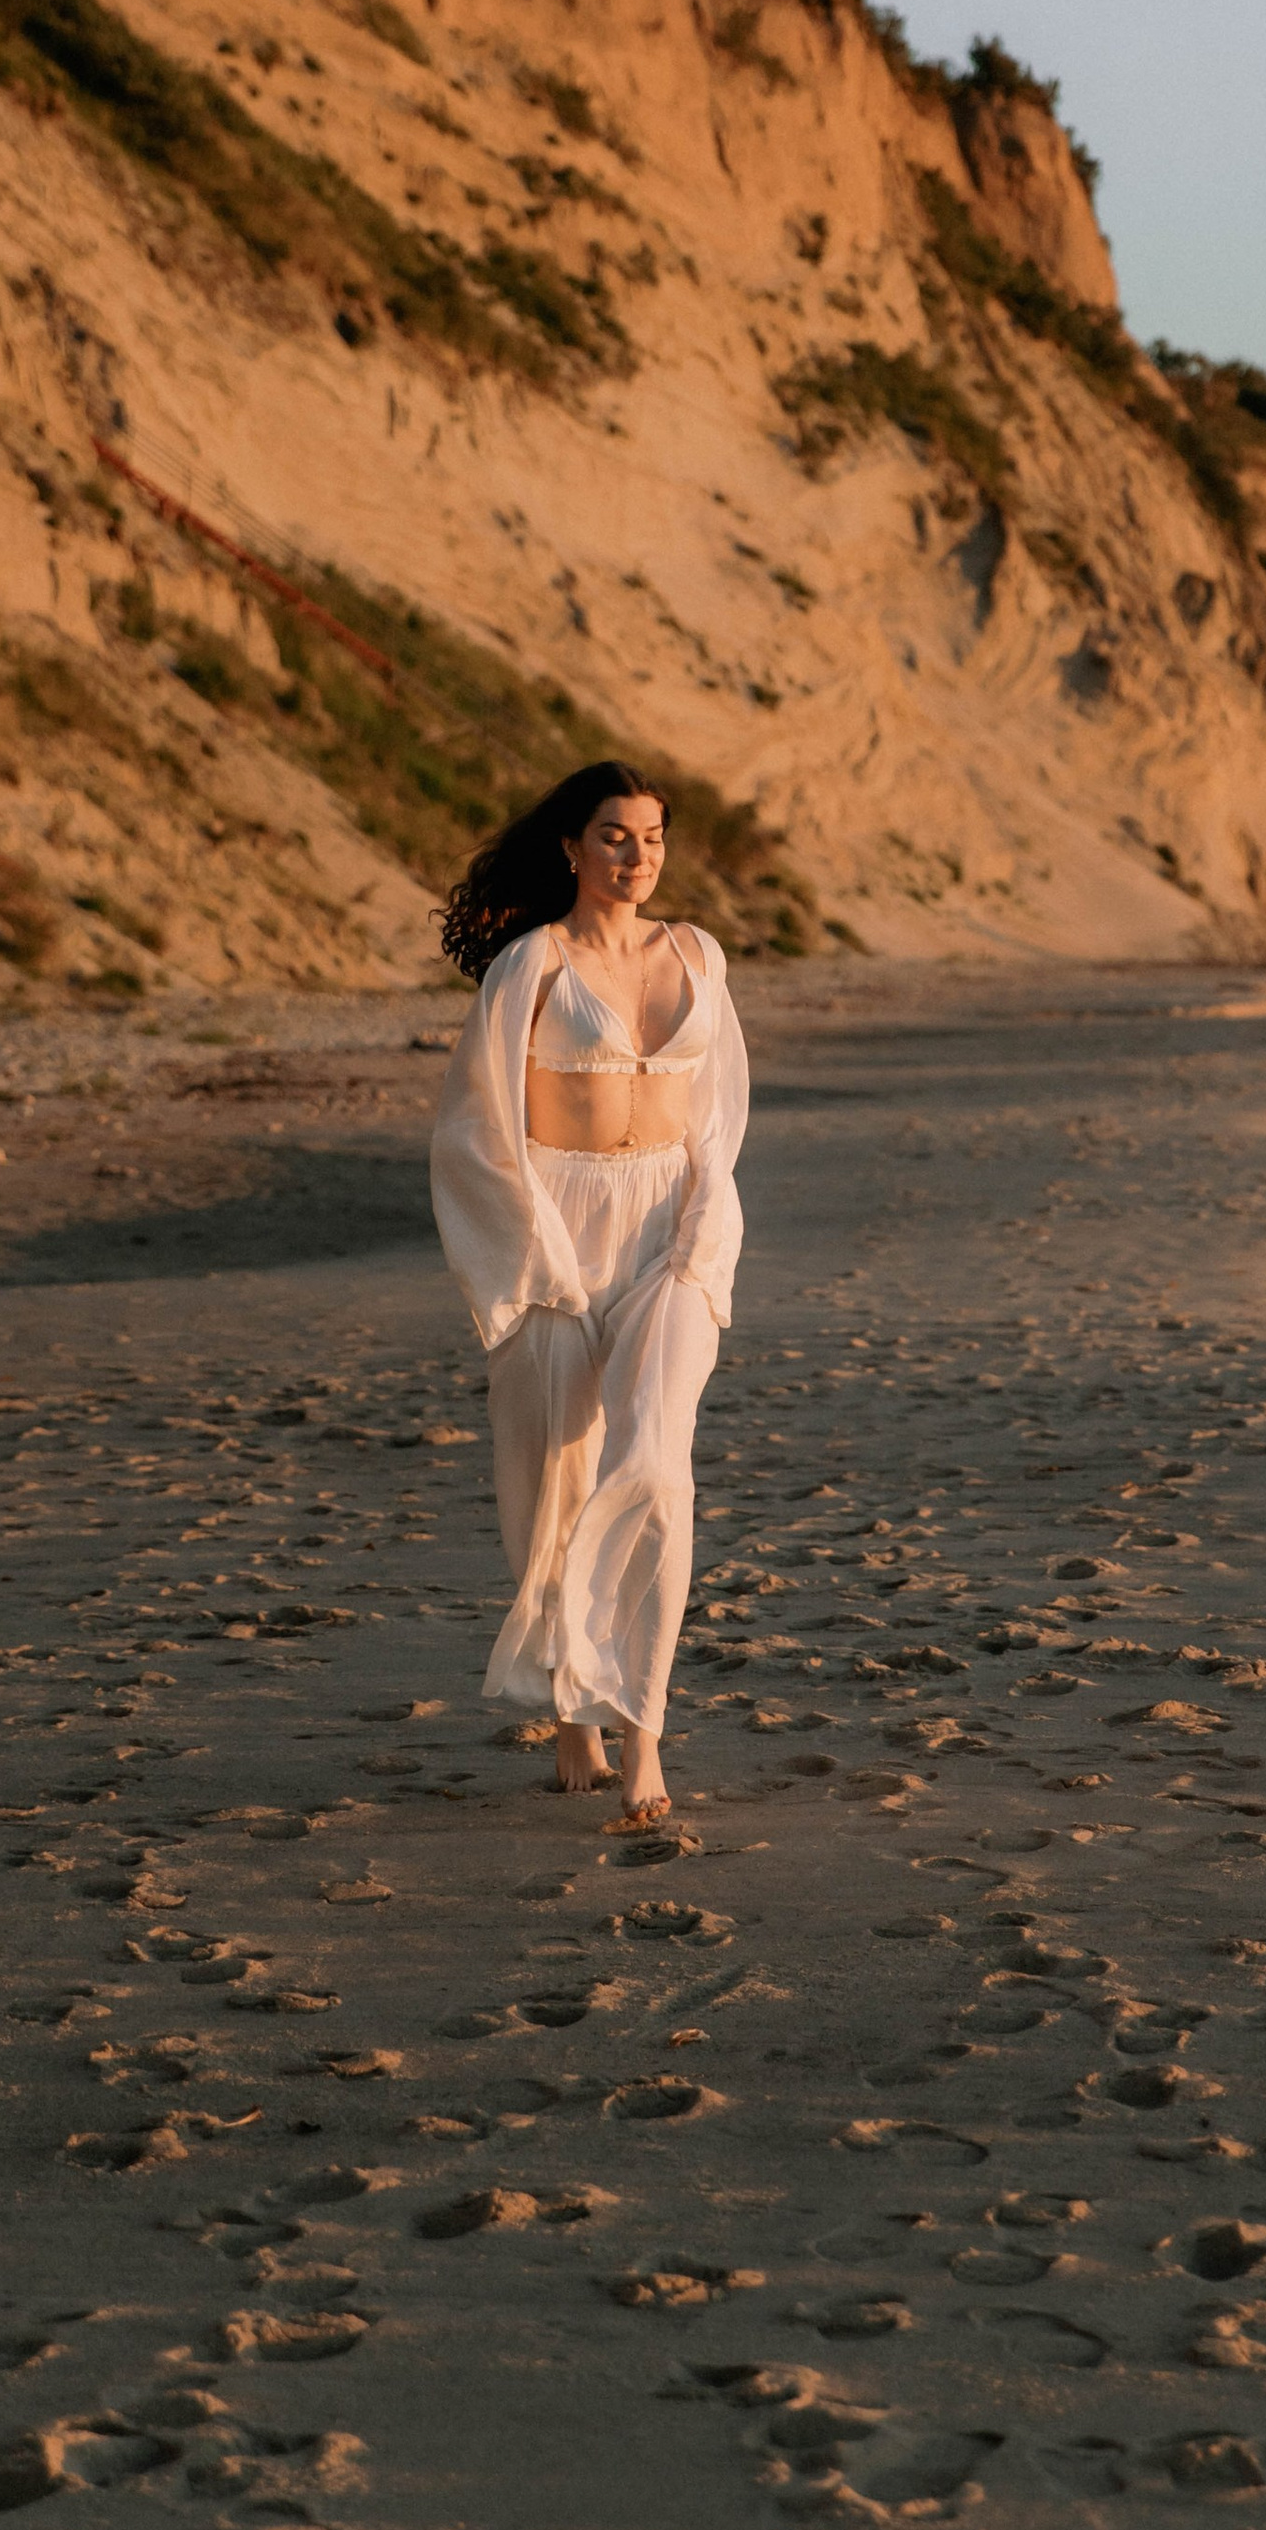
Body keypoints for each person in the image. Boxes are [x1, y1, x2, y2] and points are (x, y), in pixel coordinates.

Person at [429, 762, 749, 1827]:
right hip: (555, 1232)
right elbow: (478, 1127)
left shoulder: (696, 956)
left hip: (668, 1230)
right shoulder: (531, 965)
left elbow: (718, 1122)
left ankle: (644, 1735)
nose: (637, 856)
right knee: (553, 1482)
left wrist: (704, 1238)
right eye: (614, 835)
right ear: (570, 848)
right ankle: (574, 1712)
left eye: (652, 837)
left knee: (656, 1466)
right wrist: (530, 1262)